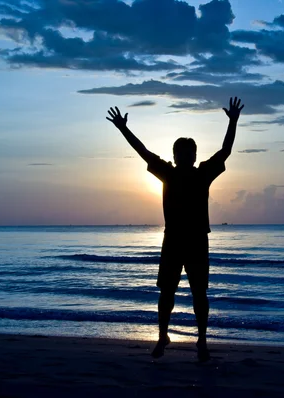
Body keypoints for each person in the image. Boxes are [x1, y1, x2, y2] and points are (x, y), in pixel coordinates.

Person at [106, 97, 244, 361]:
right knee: (166, 291)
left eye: (188, 152)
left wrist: (233, 122)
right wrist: (123, 129)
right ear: (175, 156)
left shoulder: (202, 173)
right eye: (180, 153)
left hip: (196, 241)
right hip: (172, 241)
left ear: (194, 155)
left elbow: (225, 151)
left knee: (199, 293)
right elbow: (142, 151)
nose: (185, 156)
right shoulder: (168, 173)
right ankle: (162, 336)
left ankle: (201, 341)